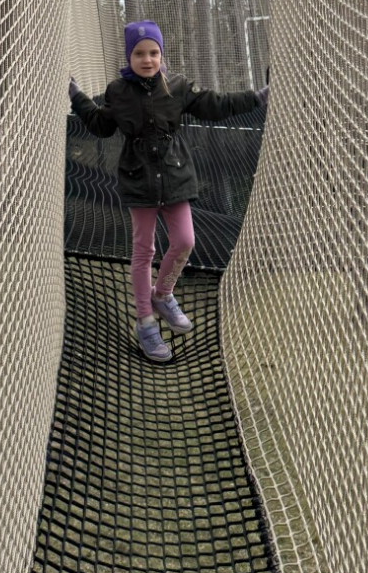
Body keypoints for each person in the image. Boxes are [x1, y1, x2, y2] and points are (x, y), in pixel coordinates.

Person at [68, 20, 269, 363]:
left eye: (154, 52)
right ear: (129, 56)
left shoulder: (175, 86)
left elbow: (214, 104)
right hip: (138, 179)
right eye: (139, 53)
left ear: (162, 54)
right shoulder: (118, 91)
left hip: (175, 178)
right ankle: (145, 322)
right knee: (143, 250)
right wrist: (77, 98)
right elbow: (101, 126)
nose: (147, 60)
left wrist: (255, 98)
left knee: (185, 241)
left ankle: (163, 294)